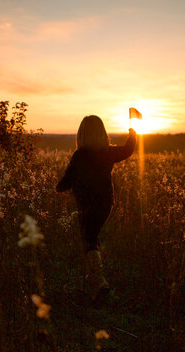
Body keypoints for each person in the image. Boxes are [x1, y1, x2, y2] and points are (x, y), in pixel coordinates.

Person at [56, 115, 136, 305]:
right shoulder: (107, 152)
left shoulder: (79, 155)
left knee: (89, 240)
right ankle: (93, 284)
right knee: (93, 238)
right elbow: (127, 151)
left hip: (87, 206)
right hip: (105, 205)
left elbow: (65, 182)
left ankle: (100, 283)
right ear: (102, 133)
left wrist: (58, 187)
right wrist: (133, 134)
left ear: (81, 134)